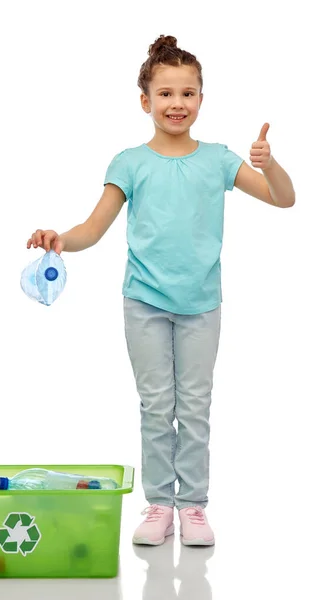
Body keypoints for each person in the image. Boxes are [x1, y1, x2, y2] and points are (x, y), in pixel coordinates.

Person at [26, 34, 295, 547]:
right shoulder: (129, 162)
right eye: (166, 94)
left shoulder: (219, 159)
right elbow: (93, 227)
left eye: (188, 93)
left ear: (201, 98)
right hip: (144, 302)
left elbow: (284, 199)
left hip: (201, 305)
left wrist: (269, 165)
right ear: (146, 101)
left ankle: (192, 505)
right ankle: (158, 503)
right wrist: (61, 239)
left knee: (193, 406)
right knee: (156, 405)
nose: (178, 103)